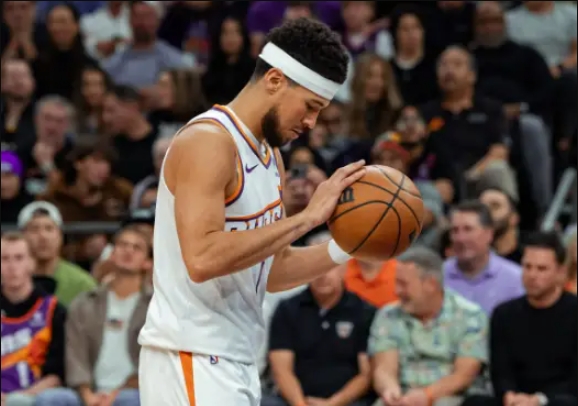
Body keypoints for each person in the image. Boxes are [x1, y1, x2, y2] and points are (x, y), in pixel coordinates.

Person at [137, 18, 362, 406]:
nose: (312, 123)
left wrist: (349, 246)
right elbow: (202, 259)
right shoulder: (208, 142)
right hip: (191, 352)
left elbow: (271, 271)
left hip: (234, 357)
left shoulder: (271, 156)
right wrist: (307, 218)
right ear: (274, 80)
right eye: (310, 106)